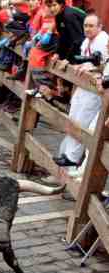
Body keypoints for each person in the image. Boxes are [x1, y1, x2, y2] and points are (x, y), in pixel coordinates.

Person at [55, 14, 108, 176]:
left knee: (86, 125)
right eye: (86, 25)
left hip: (95, 92)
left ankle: (74, 161)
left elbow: (102, 64)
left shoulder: (103, 40)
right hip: (84, 86)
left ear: (100, 27)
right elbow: (88, 62)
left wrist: (91, 69)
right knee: (74, 118)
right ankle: (69, 158)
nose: (87, 29)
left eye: (91, 26)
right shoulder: (86, 41)